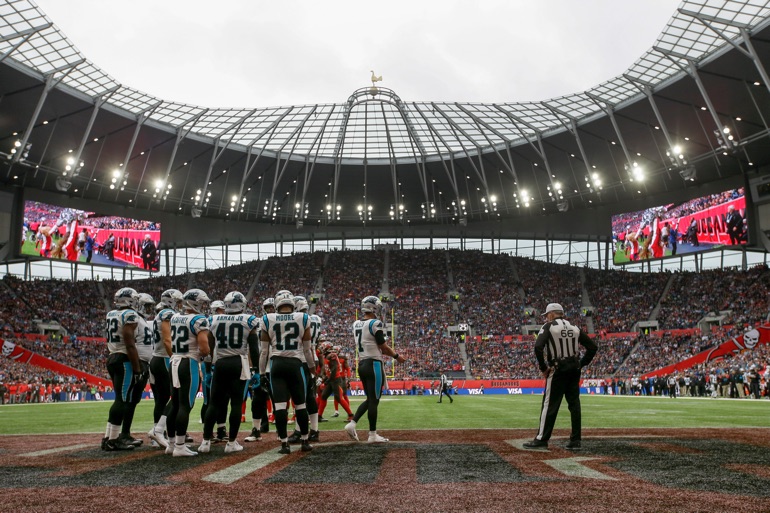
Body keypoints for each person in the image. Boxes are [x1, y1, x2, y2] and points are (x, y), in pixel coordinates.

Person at [523, 303, 597, 450]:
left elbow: (538, 347)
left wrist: (544, 367)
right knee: (574, 405)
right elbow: (592, 347)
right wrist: (581, 364)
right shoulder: (575, 328)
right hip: (574, 369)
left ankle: (542, 439)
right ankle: (575, 441)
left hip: (558, 369)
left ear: (551, 314)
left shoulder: (548, 326)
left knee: (549, 404)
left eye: (547, 315)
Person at [199, 291, 260, 454]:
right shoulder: (249, 320)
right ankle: (231, 442)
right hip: (239, 362)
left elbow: (209, 347)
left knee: (214, 403)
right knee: (235, 403)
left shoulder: (214, 319)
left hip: (220, 363)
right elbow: (254, 348)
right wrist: (257, 371)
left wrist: (208, 369)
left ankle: (205, 442)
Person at [259, 290, 316, 454]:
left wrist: (262, 373)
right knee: (300, 405)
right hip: (296, 364)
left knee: (280, 407)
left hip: (276, 364)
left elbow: (264, 352)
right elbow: (307, 350)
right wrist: (312, 371)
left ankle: (284, 444)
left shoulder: (267, 319)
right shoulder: (303, 318)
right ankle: (305, 441)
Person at [344, 295, 406, 444]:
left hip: (363, 363)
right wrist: (397, 356)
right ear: (374, 307)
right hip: (374, 364)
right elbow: (383, 347)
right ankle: (372, 435)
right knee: (374, 400)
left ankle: (352, 424)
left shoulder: (356, 324)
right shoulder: (375, 323)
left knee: (370, 399)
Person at [166, 289, 211, 457]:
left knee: (175, 404)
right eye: (202, 302)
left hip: (174, 361)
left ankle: (171, 444)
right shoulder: (199, 319)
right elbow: (204, 347)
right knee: (185, 405)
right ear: (196, 302)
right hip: (188, 362)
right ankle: (179, 446)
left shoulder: (175, 317)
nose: (204, 306)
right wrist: (205, 355)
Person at [101, 287, 143, 451]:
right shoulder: (129, 315)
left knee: (119, 398)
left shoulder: (111, 314)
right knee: (122, 400)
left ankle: (108, 437)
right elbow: (130, 343)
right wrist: (137, 368)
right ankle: (114, 439)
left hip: (113, 356)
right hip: (123, 358)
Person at [147, 288, 182, 449]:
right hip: (163, 358)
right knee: (175, 397)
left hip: (156, 357)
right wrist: (174, 357)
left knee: (161, 400)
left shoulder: (159, 315)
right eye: (179, 301)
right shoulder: (167, 314)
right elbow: (168, 340)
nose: (181, 305)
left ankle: (158, 436)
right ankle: (158, 430)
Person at [120, 292, 155, 446]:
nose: (149, 309)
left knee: (134, 400)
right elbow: (130, 342)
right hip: (138, 362)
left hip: (145, 363)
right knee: (129, 400)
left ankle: (125, 433)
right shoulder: (134, 319)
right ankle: (122, 433)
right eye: (147, 305)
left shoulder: (142, 320)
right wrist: (137, 367)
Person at [245, 297, 275, 442]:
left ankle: (284, 433)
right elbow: (252, 347)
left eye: (272, 307)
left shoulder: (278, 321)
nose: (270, 309)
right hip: (262, 367)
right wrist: (254, 367)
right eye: (267, 307)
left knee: (279, 399)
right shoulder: (259, 322)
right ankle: (258, 428)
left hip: (276, 365)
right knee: (257, 399)